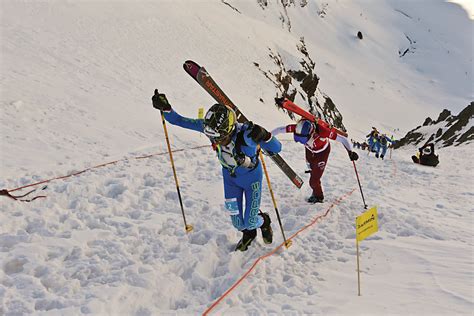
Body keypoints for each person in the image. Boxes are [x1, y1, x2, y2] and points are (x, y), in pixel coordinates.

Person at [152, 90, 281, 251]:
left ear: (230, 129)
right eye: (213, 137)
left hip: (251, 180)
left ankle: (264, 221)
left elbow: (276, 148)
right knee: (238, 223)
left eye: (220, 137)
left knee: (250, 221)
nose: (216, 141)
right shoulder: (210, 128)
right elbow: (178, 120)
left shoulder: (246, 136)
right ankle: (248, 234)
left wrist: (266, 135)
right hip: (230, 179)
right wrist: (166, 108)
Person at [271, 118, 358, 204]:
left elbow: (343, 139)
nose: (301, 142)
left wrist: (350, 152)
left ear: (311, 133)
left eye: (302, 140)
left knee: (313, 181)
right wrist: (267, 136)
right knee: (312, 170)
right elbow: (279, 130)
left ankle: (318, 196)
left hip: (322, 153)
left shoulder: (323, 132)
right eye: (298, 139)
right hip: (310, 150)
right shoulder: (297, 128)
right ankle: (315, 182)